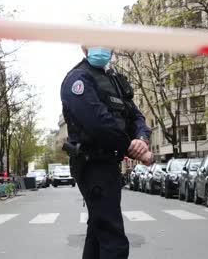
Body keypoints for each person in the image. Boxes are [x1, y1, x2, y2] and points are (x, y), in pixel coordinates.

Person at [61, 46, 153, 259]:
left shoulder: (114, 80)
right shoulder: (78, 79)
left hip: (109, 165)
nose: (103, 47)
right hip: (92, 164)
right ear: (84, 47)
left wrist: (142, 138)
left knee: (98, 231)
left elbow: (136, 116)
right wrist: (135, 150)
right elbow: (99, 124)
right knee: (114, 241)